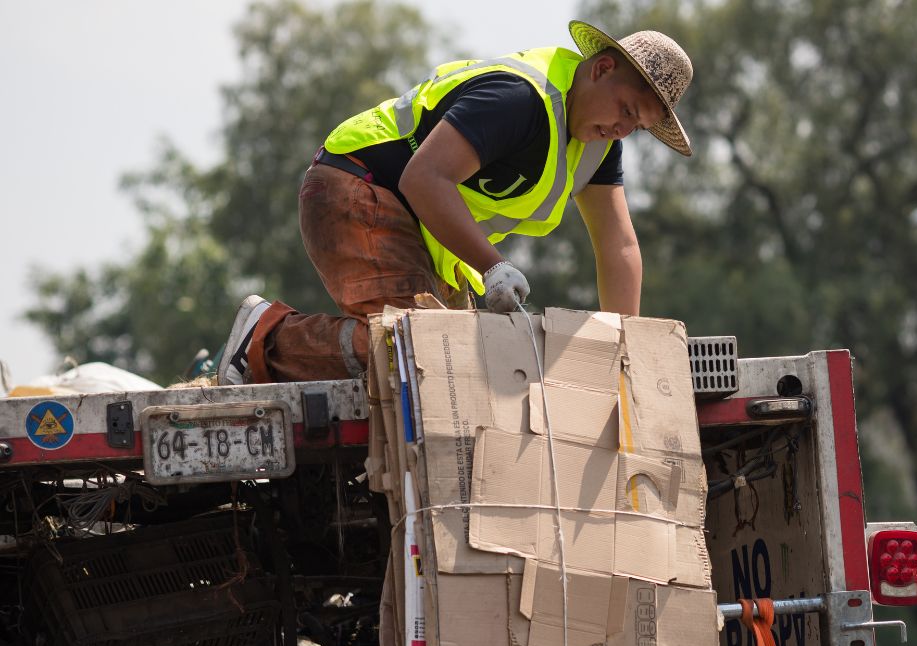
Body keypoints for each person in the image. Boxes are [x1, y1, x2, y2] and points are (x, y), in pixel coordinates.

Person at [215, 20, 693, 386]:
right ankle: (269, 338)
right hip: (356, 186)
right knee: (419, 350)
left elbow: (619, 247)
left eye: (637, 126)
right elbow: (424, 179)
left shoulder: (598, 146)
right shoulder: (519, 98)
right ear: (602, 68)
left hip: (418, 229)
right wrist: (493, 266)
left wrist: (625, 345)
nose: (621, 130)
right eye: (626, 110)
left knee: (469, 365)